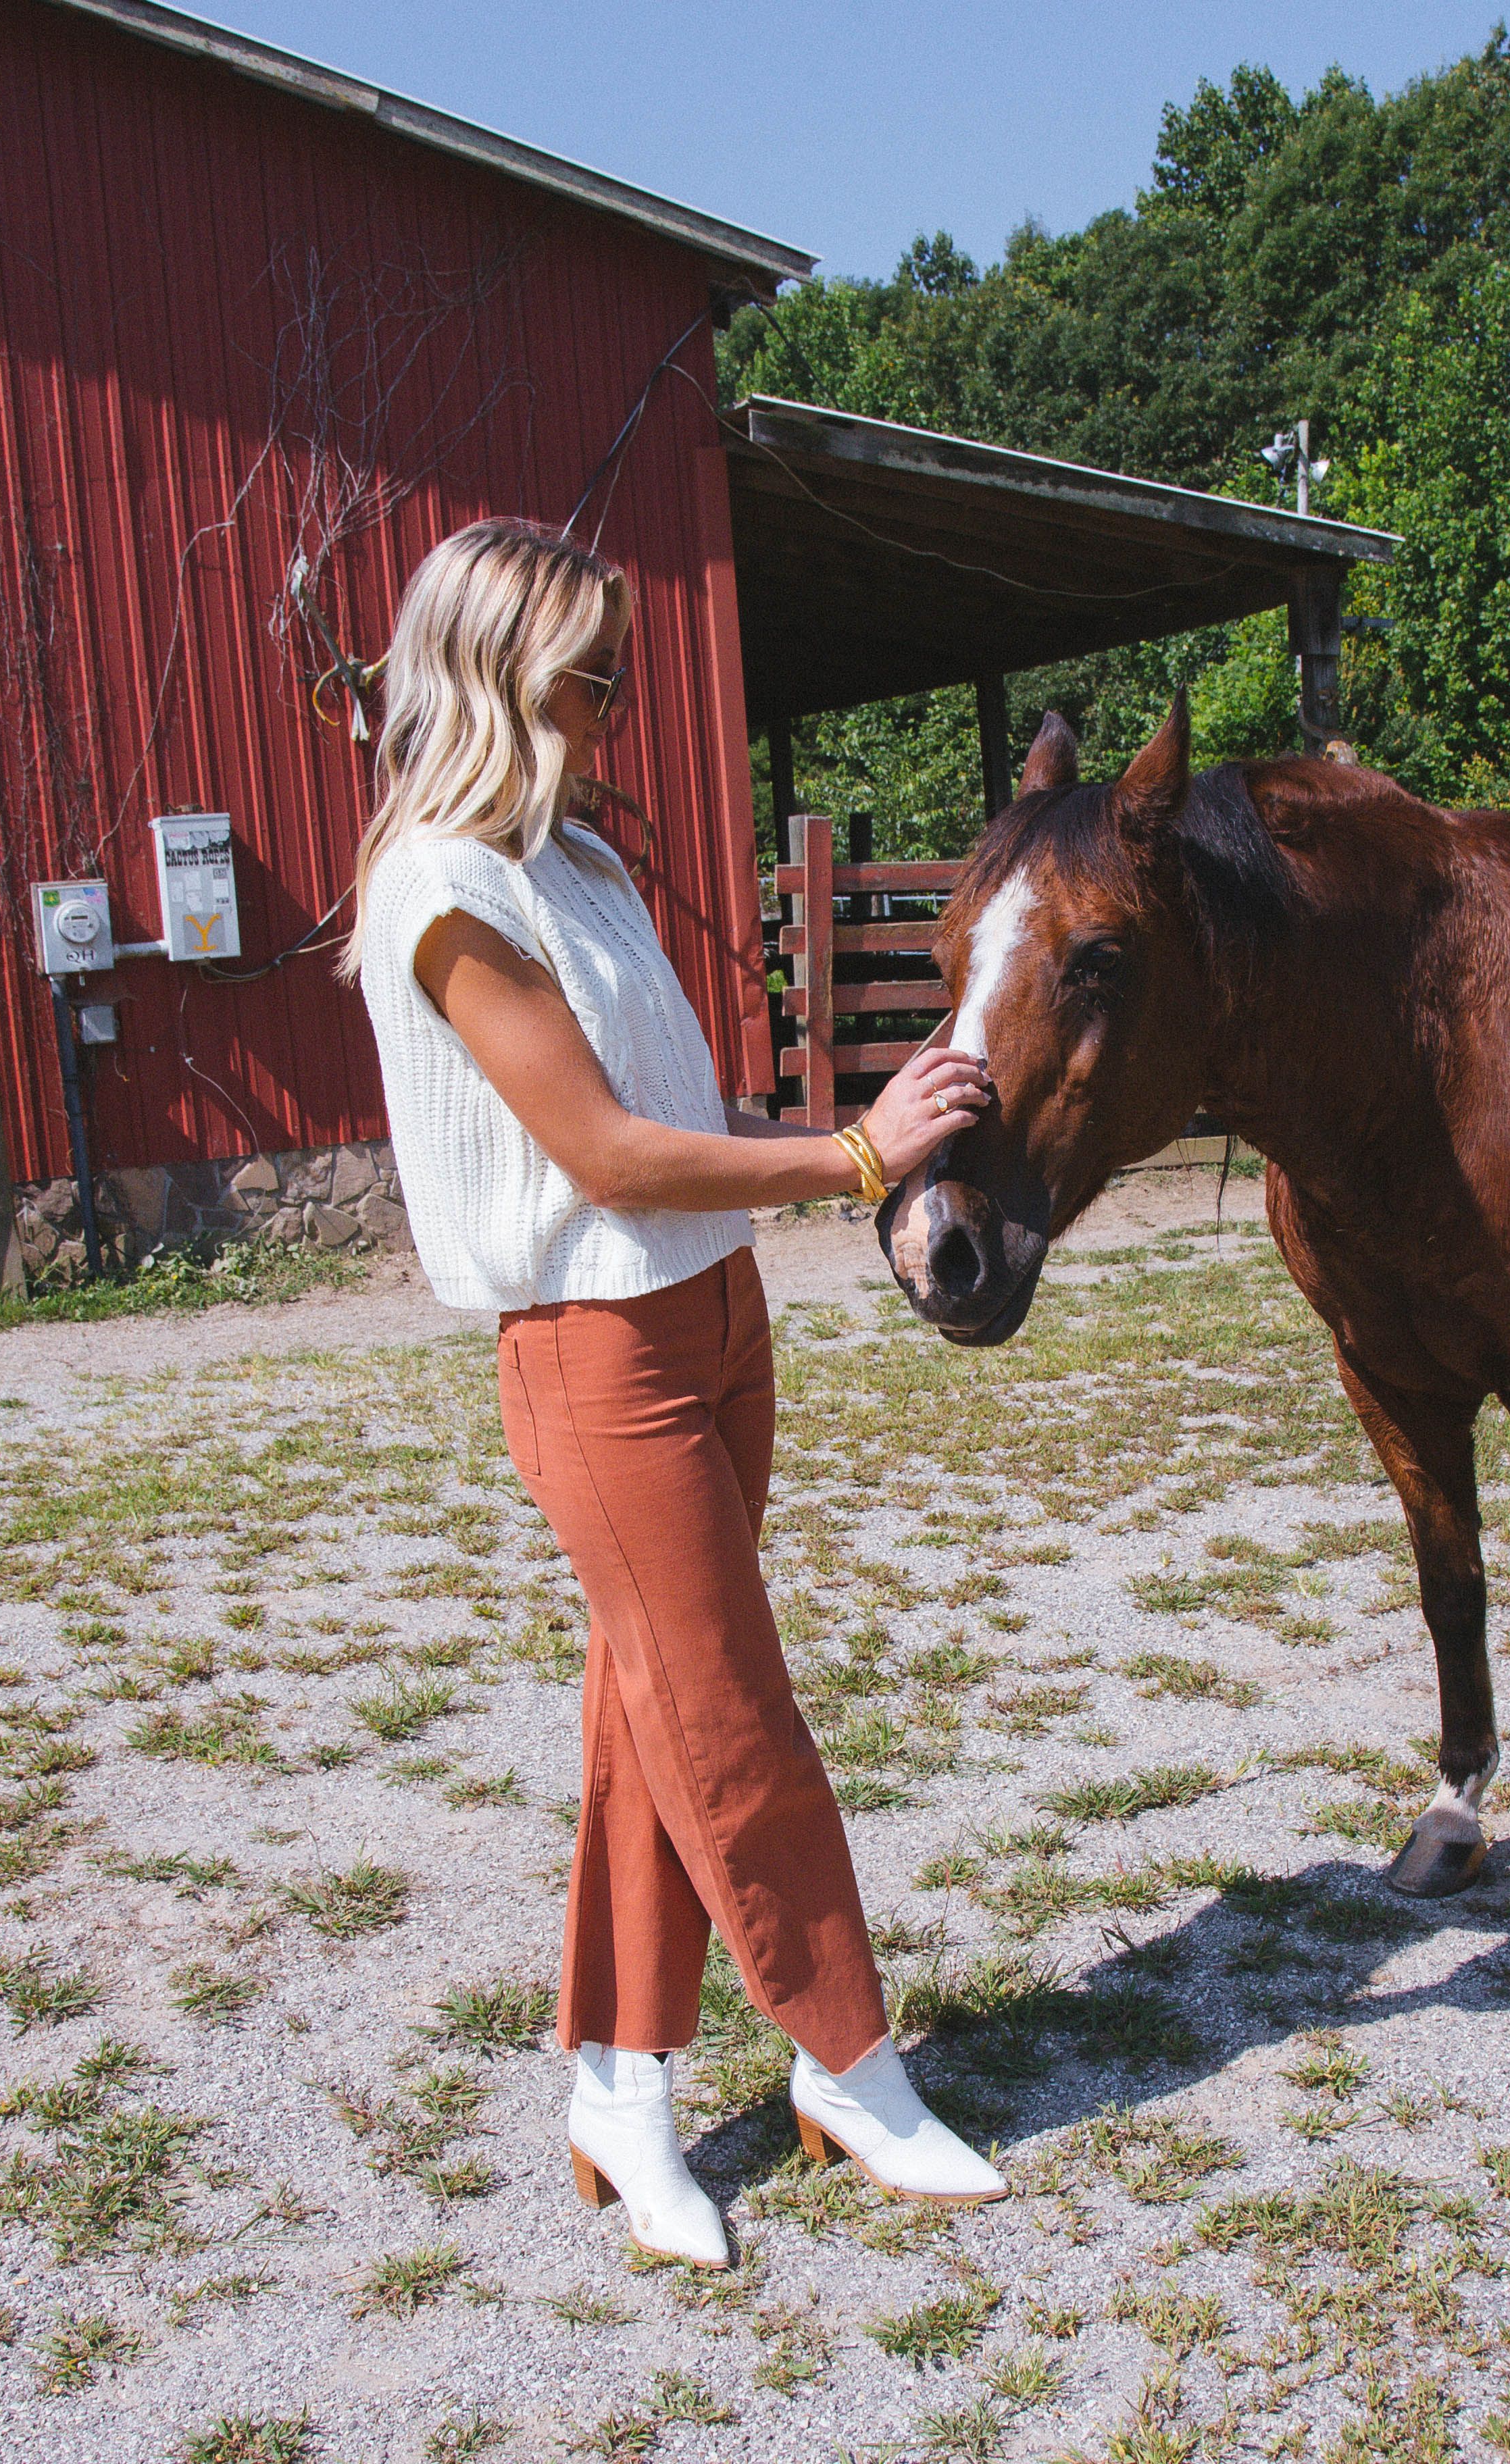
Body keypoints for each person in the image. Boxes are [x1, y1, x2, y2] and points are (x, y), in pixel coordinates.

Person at [344, 515, 1005, 2269]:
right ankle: (852, 2063)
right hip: (596, 1349)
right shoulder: (441, 887)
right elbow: (610, 1156)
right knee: (728, 1716)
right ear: (493, 653)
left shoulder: (581, 865)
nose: (617, 672)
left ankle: (619, 2088)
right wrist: (855, 1155)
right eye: (586, 643)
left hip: (711, 1324)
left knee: (649, 1726)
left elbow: (661, 1140)